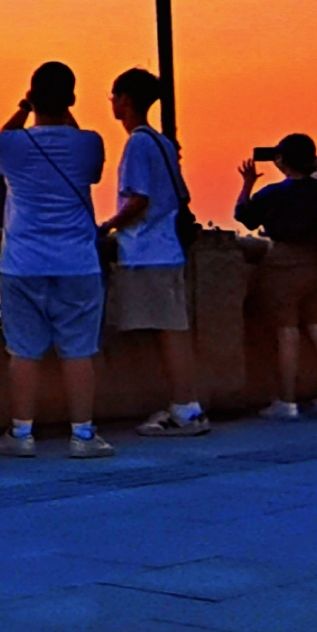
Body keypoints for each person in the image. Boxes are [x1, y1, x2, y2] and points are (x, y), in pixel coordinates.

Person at [0, 62, 114, 460]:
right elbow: (88, 171)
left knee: (23, 351)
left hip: (22, 261)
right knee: (78, 351)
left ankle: (21, 433)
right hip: (78, 261)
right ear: (72, 100)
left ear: (32, 96)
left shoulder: (9, 145)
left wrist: (23, 108)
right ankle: (83, 435)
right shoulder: (90, 143)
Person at [101, 67, 210, 438]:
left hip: (148, 251)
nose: (112, 103)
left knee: (169, 331)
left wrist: (106, 226)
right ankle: (184, 405)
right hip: (170, 249)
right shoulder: (162, 143)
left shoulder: (137, 144)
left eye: (114, 96)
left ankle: (186, 409)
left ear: (125, 100)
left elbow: (140, 199)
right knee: (172, 329)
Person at [235, 133, 317, 420]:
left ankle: (287, 400)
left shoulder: (273, 194)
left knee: (287, 334)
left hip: (282, 263)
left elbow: (244, 216)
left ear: (281, 160)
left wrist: (247, 184)